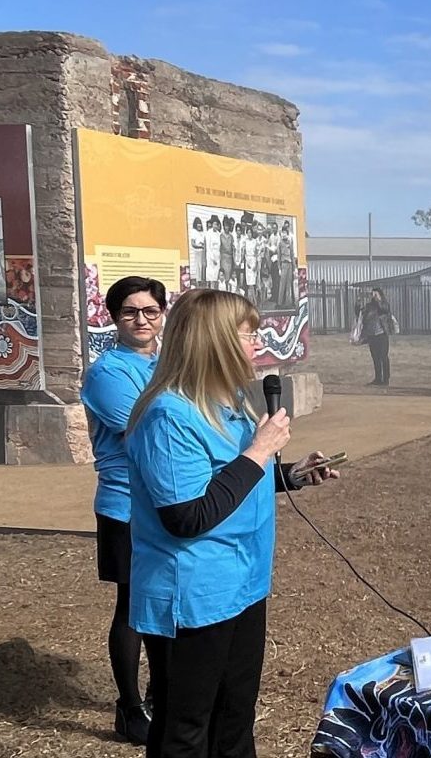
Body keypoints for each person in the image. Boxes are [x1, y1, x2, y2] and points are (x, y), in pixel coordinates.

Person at [123, 289, 337, 758]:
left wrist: (289, 474)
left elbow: (230, 481)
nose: (257, 345)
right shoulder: (169, 415)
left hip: (243, 584)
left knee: (235, 716)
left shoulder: (230, 403)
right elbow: (187, 516)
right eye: (248, 334)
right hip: (195, 597)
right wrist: (260, 450)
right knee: (187, 726)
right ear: (216, 342)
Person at [81, 276, 169, 744]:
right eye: (130, 311)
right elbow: (147, 428)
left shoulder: (165, 364)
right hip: (126, 503)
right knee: (132, 606)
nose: (141, 320)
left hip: (167, 499)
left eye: (150, 311)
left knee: (163, 600)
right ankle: (129, 707)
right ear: (114, 317)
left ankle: (161, 692)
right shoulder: (107, 373)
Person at [355, 288, 393, 387]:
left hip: (382, 334)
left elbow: (383, 310)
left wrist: (378, 300)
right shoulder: (369, 306)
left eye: (376, 294)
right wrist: (358, 302)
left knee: (383, 357)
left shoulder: (384, 304)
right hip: (372, 335)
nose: (374, 296)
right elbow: (359, 314)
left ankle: (385, 379)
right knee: (375, 358)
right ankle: (378, 379)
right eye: (373, 294)